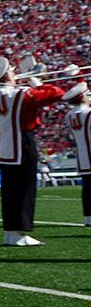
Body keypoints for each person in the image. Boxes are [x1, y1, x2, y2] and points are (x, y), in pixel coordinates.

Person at [0, 39, 65, 246]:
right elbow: (57, 94)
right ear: (7, 75)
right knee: (25, 189)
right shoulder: (20, 94)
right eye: (13, 72)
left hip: (5, 146)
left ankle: (11, 231)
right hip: (22, 143)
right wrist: (37, 81)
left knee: (9, 190)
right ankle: (20, 233)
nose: (16, 74)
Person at [63, 81, 91, 225]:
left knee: (87, 187)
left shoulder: (70, 114)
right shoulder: (88, 112)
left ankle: (88, 216)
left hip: (83, 155)